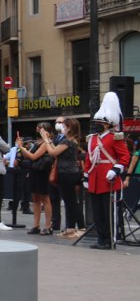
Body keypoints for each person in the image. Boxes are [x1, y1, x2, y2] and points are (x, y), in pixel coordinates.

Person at [84, 92, 130, 250]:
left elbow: (124, 157)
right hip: (95, 179)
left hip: (108, 179)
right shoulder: (92, 138)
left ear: (108, 123)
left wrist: (116, 170)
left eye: (101, 122)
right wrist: (86, 177)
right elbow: (89, 159)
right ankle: (101, 238)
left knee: (108, 213)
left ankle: (110, 239)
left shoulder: (115, 137)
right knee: (98, 213)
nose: (97, 124)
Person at [44, 117, 84, 239]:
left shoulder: (68, 142)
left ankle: (81, 227)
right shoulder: (70, 141)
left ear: (70, 128)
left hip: (67, 174)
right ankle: (70, 228)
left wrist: (46, 140)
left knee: (71, 202)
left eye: (65, 126)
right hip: (67, 173)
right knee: (69, 201)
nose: (63, 128)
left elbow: (53, 152)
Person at [17, 122, 54, 236]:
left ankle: (48, 225)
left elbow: (33, 156)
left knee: (45, 198)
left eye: (40, 128)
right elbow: (29, 156)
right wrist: (23, 149)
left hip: (42, 172)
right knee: (36, 199)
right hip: (34, 171)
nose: (38, 130)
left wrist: (20, 147)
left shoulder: (46, 143)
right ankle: (36, 225)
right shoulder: (38, 142)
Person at [49, 116, 66, 233]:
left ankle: (70, 225)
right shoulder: (55, 138)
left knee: (66, 199)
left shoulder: (68, 139)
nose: (58, 124)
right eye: (56, 122)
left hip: (64, 171)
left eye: (60, 122)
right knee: (53, 199)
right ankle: (55, 224)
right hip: (53, 172)